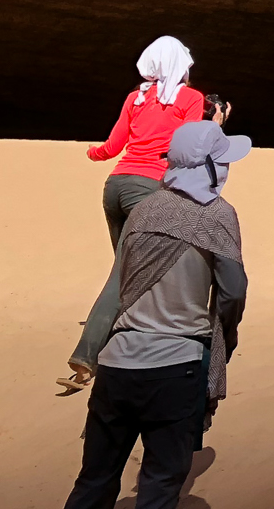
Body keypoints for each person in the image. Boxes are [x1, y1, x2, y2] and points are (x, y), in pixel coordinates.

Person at [56, 120, 250, 509]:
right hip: (175, 370)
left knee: (94, 480)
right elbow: (232, 292)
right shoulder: (217, 215)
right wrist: (224, 340)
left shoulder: (143, 210)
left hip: (117, 366)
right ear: (210, 167)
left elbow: (119, 283)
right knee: (160, 484)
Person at [59, 37, 209, 393]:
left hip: (116, 186)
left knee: (129, 268)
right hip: (150, 191)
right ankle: (88, 354)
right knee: (125, 274)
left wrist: (93, 154)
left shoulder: (136, 98)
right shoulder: (191, 99)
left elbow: (113, 146)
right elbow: (190, 144)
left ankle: (125, 335)